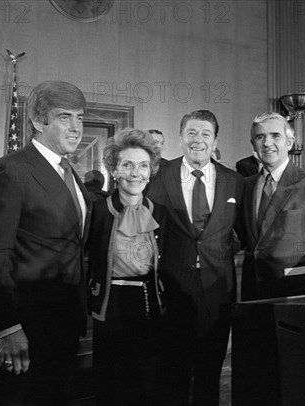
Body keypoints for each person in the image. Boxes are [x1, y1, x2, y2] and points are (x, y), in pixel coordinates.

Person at [0, 81, 92, 405]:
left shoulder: (71, 173)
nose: (76, 128)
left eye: (80, 118)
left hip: (65, 324)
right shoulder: (10, 171)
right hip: (27, 328)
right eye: (65, 117)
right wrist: (6, 328)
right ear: (38, 121)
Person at [146, 110, 243, 406]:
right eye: (191, 133)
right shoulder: (158, 175)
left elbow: (243, 232)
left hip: (218, 289)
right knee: (171, 371)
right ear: (180, 137)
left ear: (214, 140)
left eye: (205, 134)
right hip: (171, 288)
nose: (197, 140)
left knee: (209, 372)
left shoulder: (235, 181)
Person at [88, 128, 167, 406]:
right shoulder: (96, 210)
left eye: (143, 166)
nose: (136, 173)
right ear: (115, 170)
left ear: (151, 171)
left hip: (149, 305)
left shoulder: (160, 212)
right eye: (128, 165)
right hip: (111, 305)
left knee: (146, 383)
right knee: (111, 383)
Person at [236, 112, 305, 301]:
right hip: (252, 294)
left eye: (275, 136)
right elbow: (239, 237)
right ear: (253, 144)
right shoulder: (245, 185)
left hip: (297, 292)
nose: (267, 143)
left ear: (290, 142)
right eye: (260, 137)